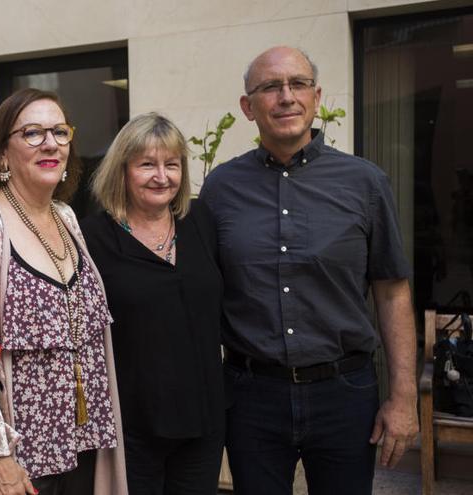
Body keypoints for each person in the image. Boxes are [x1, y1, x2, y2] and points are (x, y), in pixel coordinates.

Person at [199, 46, 418, 495]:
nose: (286, 97)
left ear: (316, 97)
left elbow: (393, 292)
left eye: (297, 84)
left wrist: (404, 396)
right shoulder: (220, 189)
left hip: (345, 393)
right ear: (248, 107)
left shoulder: (366, 183)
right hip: (251, 396)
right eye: (270, 87)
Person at [0, 88, 127, 495]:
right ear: (3, 154)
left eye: (60, 132)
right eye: (33, 133)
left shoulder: (66, 216)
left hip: (85, 438)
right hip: (25, 454)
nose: (51, 144)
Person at [81, 112, 225, 494]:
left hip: (203, 420)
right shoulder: (93, 237)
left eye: (171, 165)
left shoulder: (201, 221)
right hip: (132, 425)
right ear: (123, 171)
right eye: (147, 164)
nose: (162, 177)